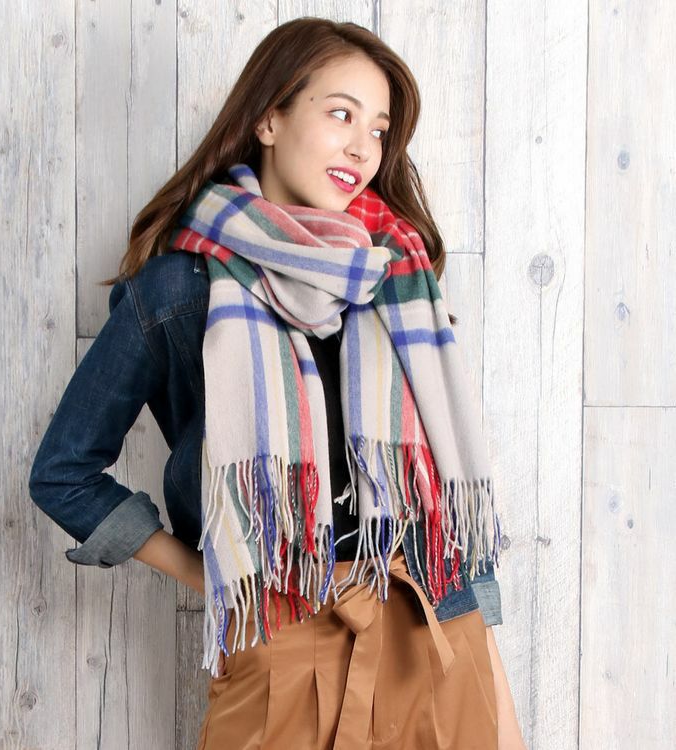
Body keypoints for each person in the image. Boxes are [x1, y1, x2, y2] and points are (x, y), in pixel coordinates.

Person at [29, 17, 525, 750]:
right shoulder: (180, 290)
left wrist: (495, 692)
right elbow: (63, 474)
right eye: (341, 114)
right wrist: (217, 577)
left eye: (378, 129)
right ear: (269, 119)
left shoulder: (399, 279)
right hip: (284, 636)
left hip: (437, 631)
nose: (363, 147)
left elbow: (442, 504)